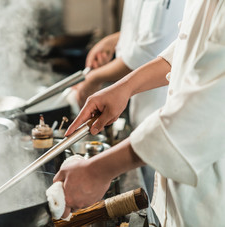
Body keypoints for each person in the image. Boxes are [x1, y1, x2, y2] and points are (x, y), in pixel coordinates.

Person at [54, 0, 225, 226]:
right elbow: (190, 46)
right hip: (179, 188)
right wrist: (125, 87)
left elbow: (207, 106)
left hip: (210, 196)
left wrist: (99, 170)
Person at [74, 0, 185, 206]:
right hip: (148, 123)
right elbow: (180, 43)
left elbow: (148, 51)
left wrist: (99, 169)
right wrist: (117, 41)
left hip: (168, 124)